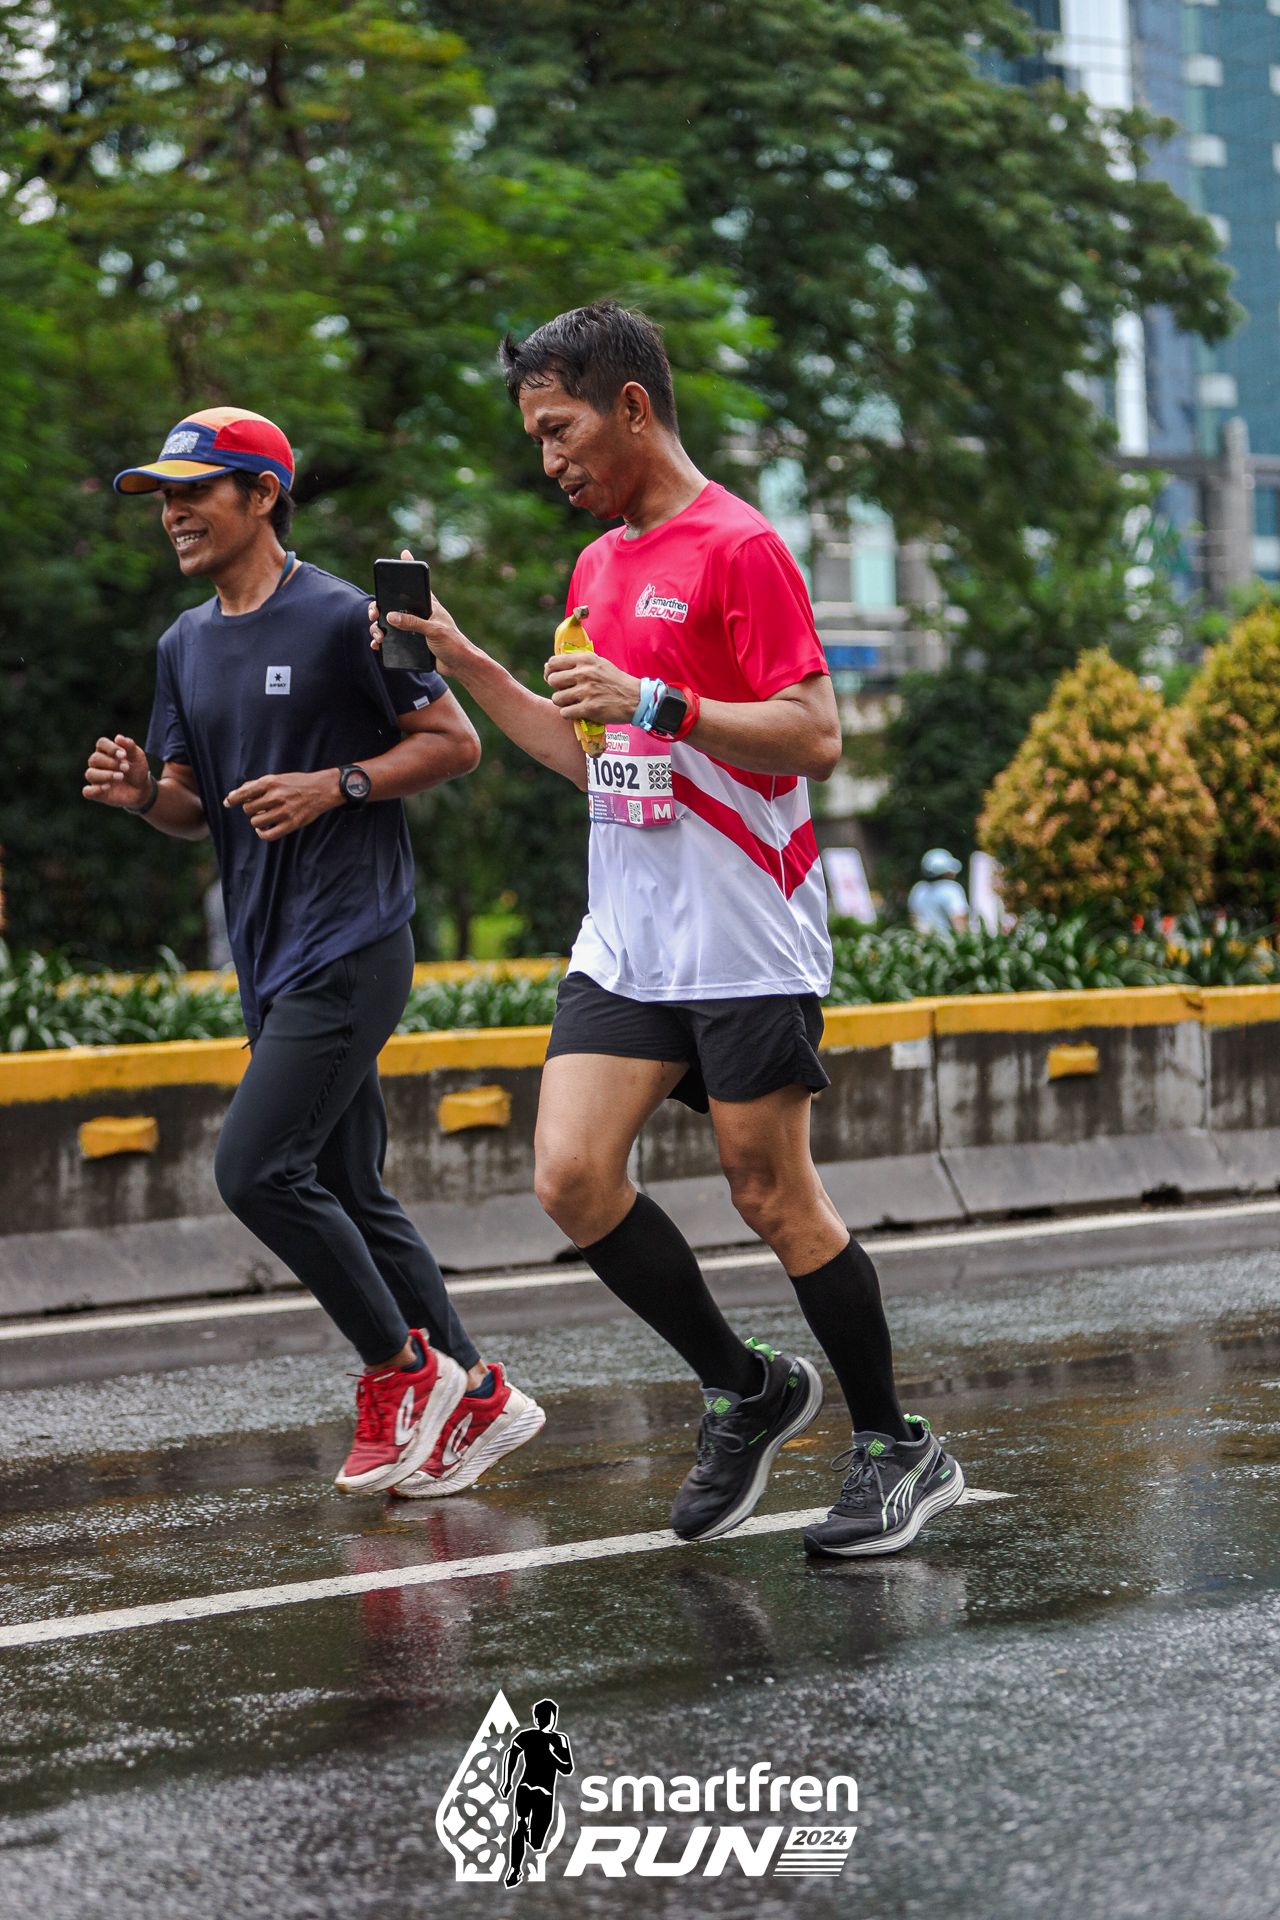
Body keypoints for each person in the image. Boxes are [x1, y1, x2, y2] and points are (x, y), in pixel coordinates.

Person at [372, 304, 965, 1558]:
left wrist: (660, 700)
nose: (550, 460)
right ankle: (745, 1390)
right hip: (628, 936)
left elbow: (814, 735)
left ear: (631, 407)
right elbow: (587, 756)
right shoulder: (595, 567)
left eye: (560, 430)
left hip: (742, 928)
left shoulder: (739, 546)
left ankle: (895, 1448)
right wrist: (464, 657)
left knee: (770, 1195)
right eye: (537, 438)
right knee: (569, 1178)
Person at [83, 405, 543, 1498]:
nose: (173, 513)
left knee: (254, 1170)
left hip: (352, 938)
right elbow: (195, 803)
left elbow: (454, 743)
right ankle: (479, 1391)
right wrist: (146, 794)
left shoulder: (348, 618)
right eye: (163, 497)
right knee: (347, 1185)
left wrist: (337, 783)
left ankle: (401, 1371)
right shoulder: (184, 644)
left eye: (195, 491)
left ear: (262, 496)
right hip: (268, 953)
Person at [499, 1699, 573, 1887]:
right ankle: (515, 1869)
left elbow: (567, 1768)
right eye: (542, 1716)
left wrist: (551, 1756)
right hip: (529, 1788)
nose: (545, 1719)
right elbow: (511, 1754)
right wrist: (507, 1781)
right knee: (520, 1825)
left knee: (536, 1839)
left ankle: (526, 1841)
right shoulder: (528, 1736)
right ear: (537, 1718)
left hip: (540, 1792)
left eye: (548, 1716)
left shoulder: (559, 1739)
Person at [908, 848, 970, 935]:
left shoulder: (918, 889)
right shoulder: (952, 889)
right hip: (947, 942)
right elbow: (960, 924)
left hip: (925, 942)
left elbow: (915, 921)